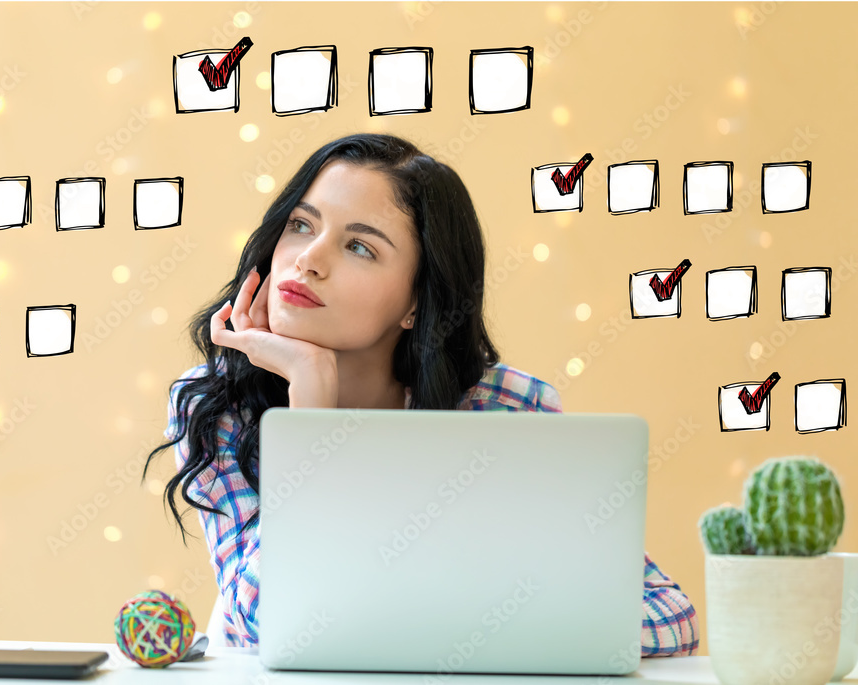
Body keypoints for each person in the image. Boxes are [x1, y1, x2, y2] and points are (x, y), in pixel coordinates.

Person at [145, 132, 698, 657]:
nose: (309, 258)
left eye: (359, 246)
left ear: (416, 302)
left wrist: (471, 623)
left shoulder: (508, 410)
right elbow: (261, 616)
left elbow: (670, 617)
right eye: (300, 224)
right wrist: (311, 404)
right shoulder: (216, 406)